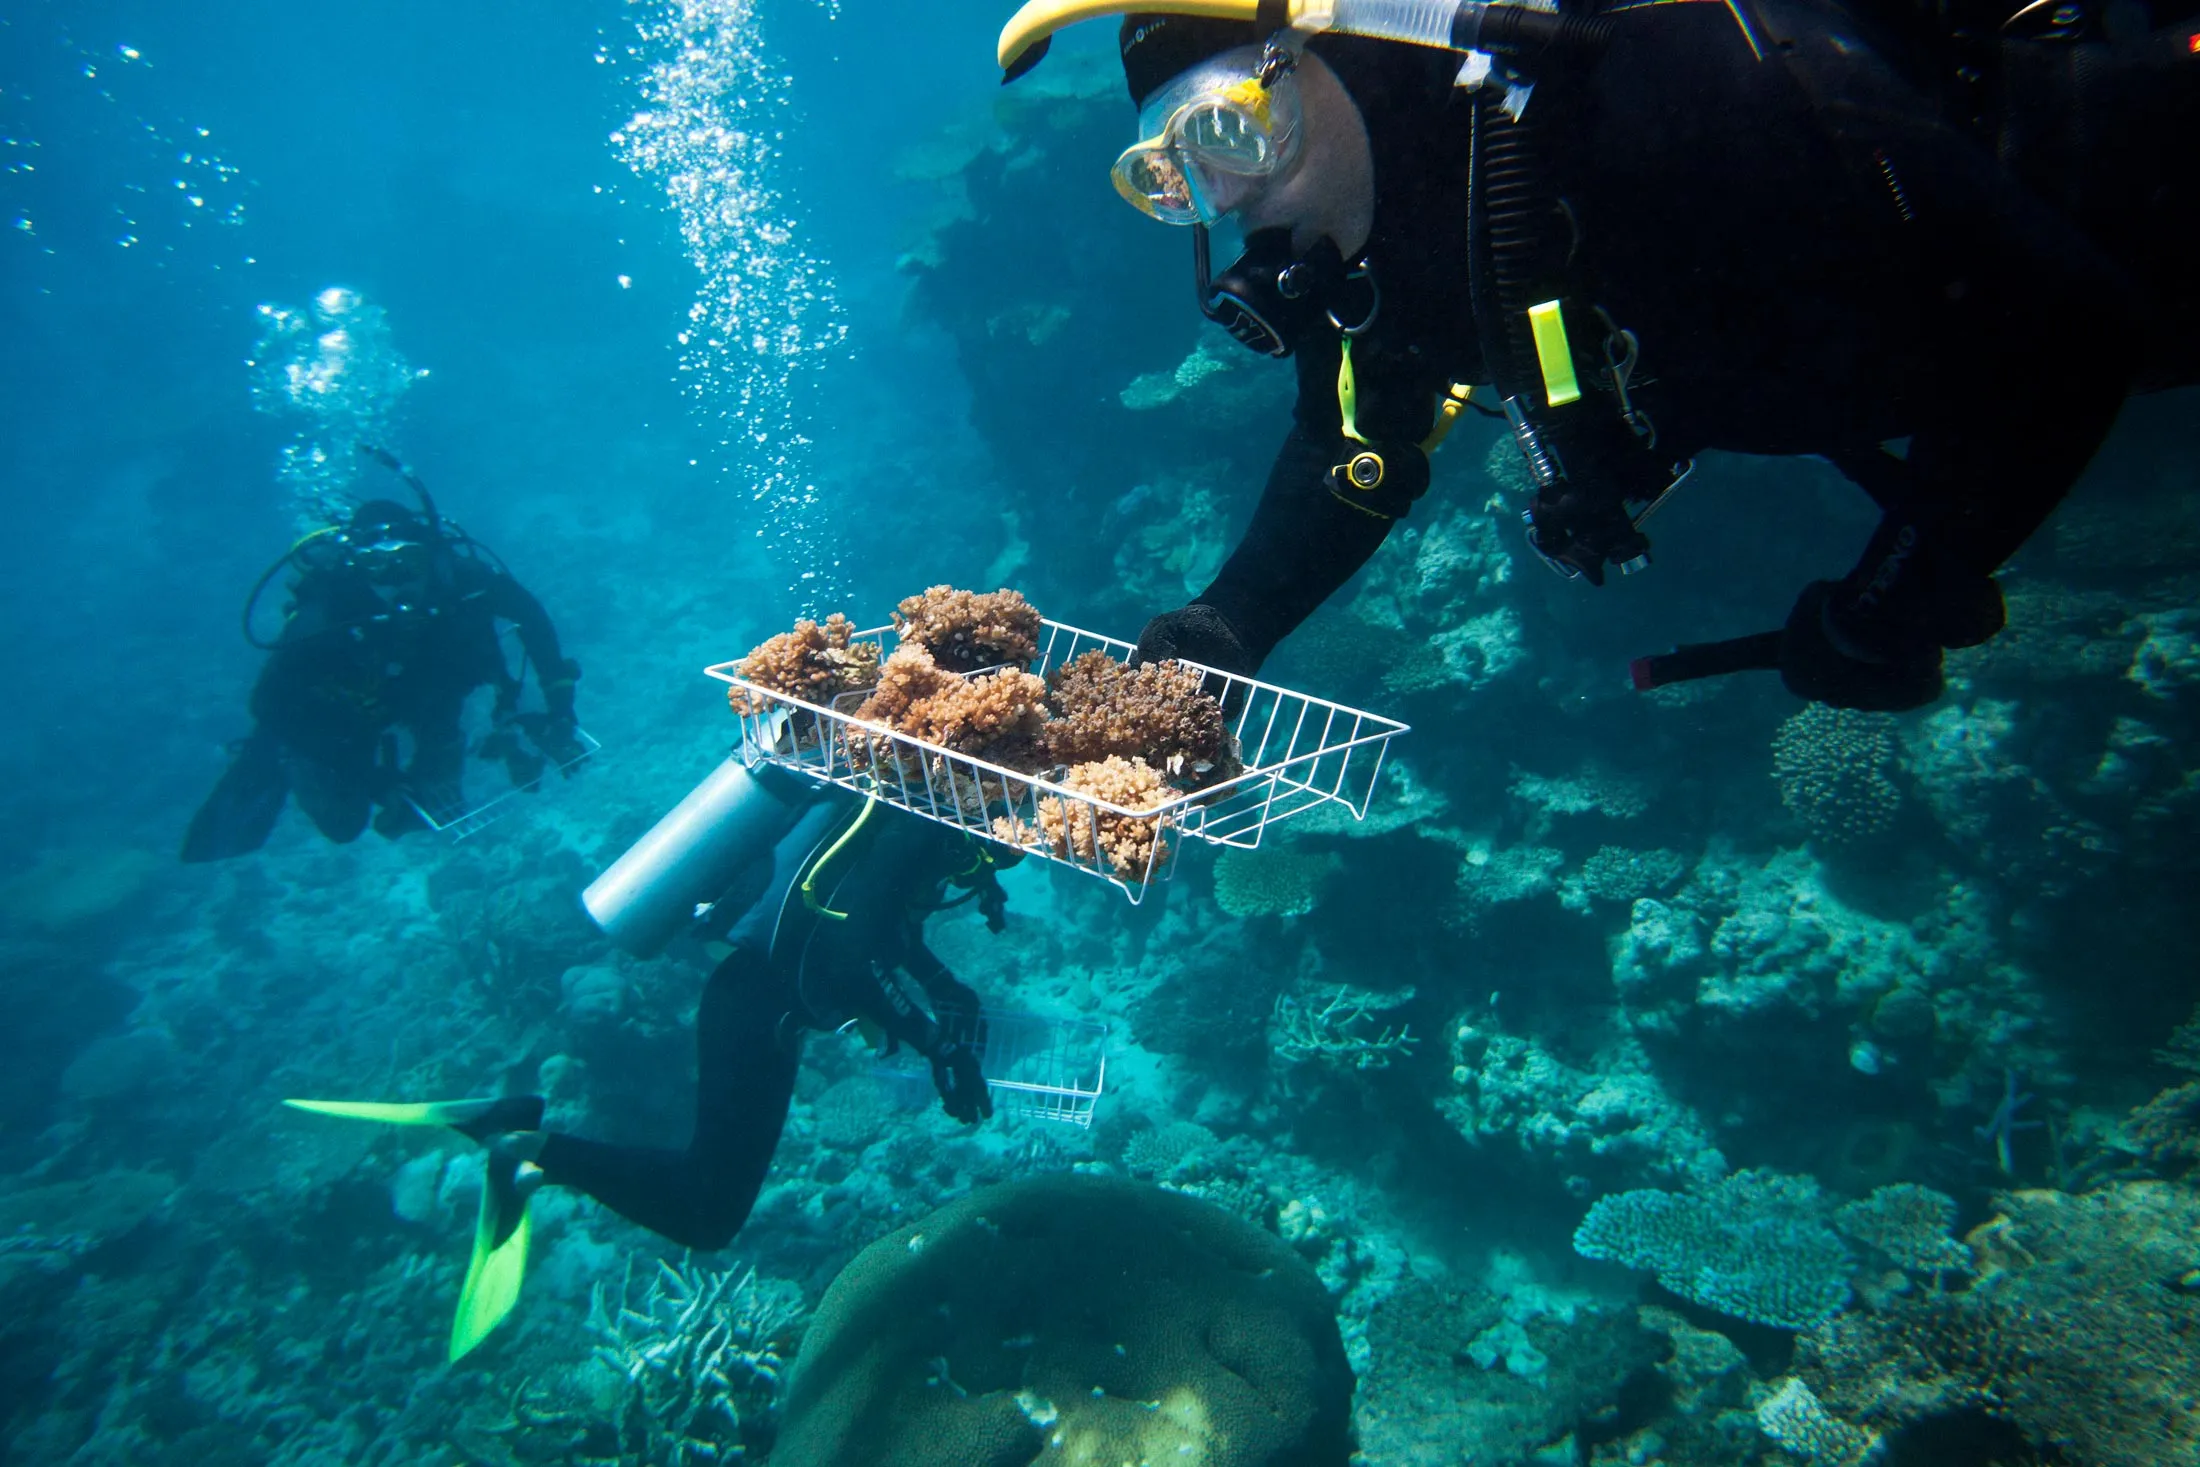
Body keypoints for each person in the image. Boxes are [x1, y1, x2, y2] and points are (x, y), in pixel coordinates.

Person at [996, 0, 2200, 710]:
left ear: (1328, 56)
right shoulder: (1387, 236)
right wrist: (1225, 626)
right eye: (1169, 176)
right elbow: (1351, 436)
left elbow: (2065, 330)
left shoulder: (1655, 99)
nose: (1221, 196)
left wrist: (1893, 600)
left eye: (1227, 128)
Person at [284, 793, 1008, 1359]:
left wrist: (943, 987)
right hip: (752, 1012)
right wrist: (937, 1045)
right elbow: (851, 958)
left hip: (759, 1007)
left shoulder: (912, 830)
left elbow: (877, 932)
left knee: (710, 1202)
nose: (1001, 861)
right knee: (707, 1212)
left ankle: (530, 1146)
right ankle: (525, 1146)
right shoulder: (916, 835)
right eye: (1006, 844)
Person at [182, 465, 585, 861]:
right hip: (352, 710)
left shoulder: (463, 579)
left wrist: (560, 705)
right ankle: (287, 765)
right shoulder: (327, 612)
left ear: (431, 555)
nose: (397, 581)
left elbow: (533, 621)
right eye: (378, 566)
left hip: (431, 691)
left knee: (431, 799)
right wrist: (376, 781)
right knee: (343, 825)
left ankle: (419, 783)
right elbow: (269, 705)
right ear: (358, 568)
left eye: (410, 561)